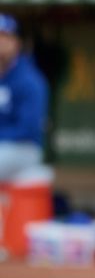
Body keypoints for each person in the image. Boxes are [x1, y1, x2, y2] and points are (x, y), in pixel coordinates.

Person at [0, 14, 49, 182]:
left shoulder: (29, 80)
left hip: (23, 149)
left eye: (5, 37)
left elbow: (28, 129)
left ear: (17, 43)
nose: (1, 42)